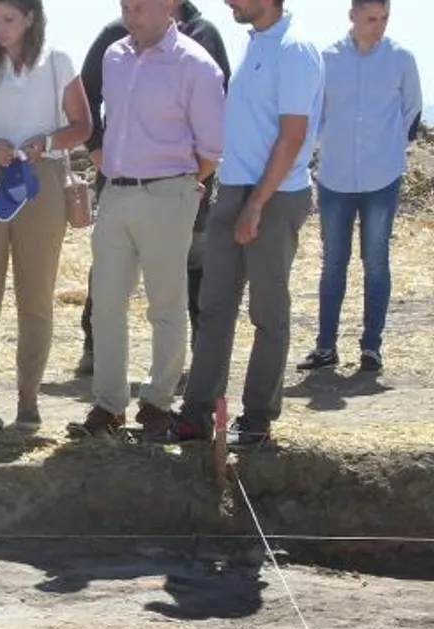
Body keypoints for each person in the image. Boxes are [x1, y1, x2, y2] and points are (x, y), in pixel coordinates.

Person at [162, 0, 321, 447]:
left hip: (272, 196)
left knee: (267, 312)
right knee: (214, 307)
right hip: (232, 191)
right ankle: (197, 414)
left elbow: (292, 137)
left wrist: (257, 205)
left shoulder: (295, 50)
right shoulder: (256, 44)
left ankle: (256, 419)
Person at [71, 0, 225, 440]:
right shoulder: (114, 56)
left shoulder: (196, 64)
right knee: (105, 304)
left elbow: (212, 147)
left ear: (168, 6)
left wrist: (180, 185)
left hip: (168, 193)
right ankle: (108, 405)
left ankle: (157, 403)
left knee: (166, 305)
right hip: (116, 193)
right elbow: (97, 118)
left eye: (139, 5)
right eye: (125, 5)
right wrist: (105, 162)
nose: (130, 13)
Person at [0, 0, 91, 434]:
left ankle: (28, 398)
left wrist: (47, 140)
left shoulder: (58, 61)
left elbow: (83, 125)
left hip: (42, 180)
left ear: (30, 17)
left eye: (9, 19)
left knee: (35, 297)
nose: (0, 28)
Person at [298, 0, 420, 375]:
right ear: (352, 15)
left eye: (384, 18)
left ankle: (371, 348)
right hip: (335, 178)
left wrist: (390, 148)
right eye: (371, 18)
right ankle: (325, 348)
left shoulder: (401, 59)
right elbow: (313, 112)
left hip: (382, 179)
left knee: (376, 262)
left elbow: (412, 112)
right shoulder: (326, 59)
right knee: (333, 263)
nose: (378, 25)